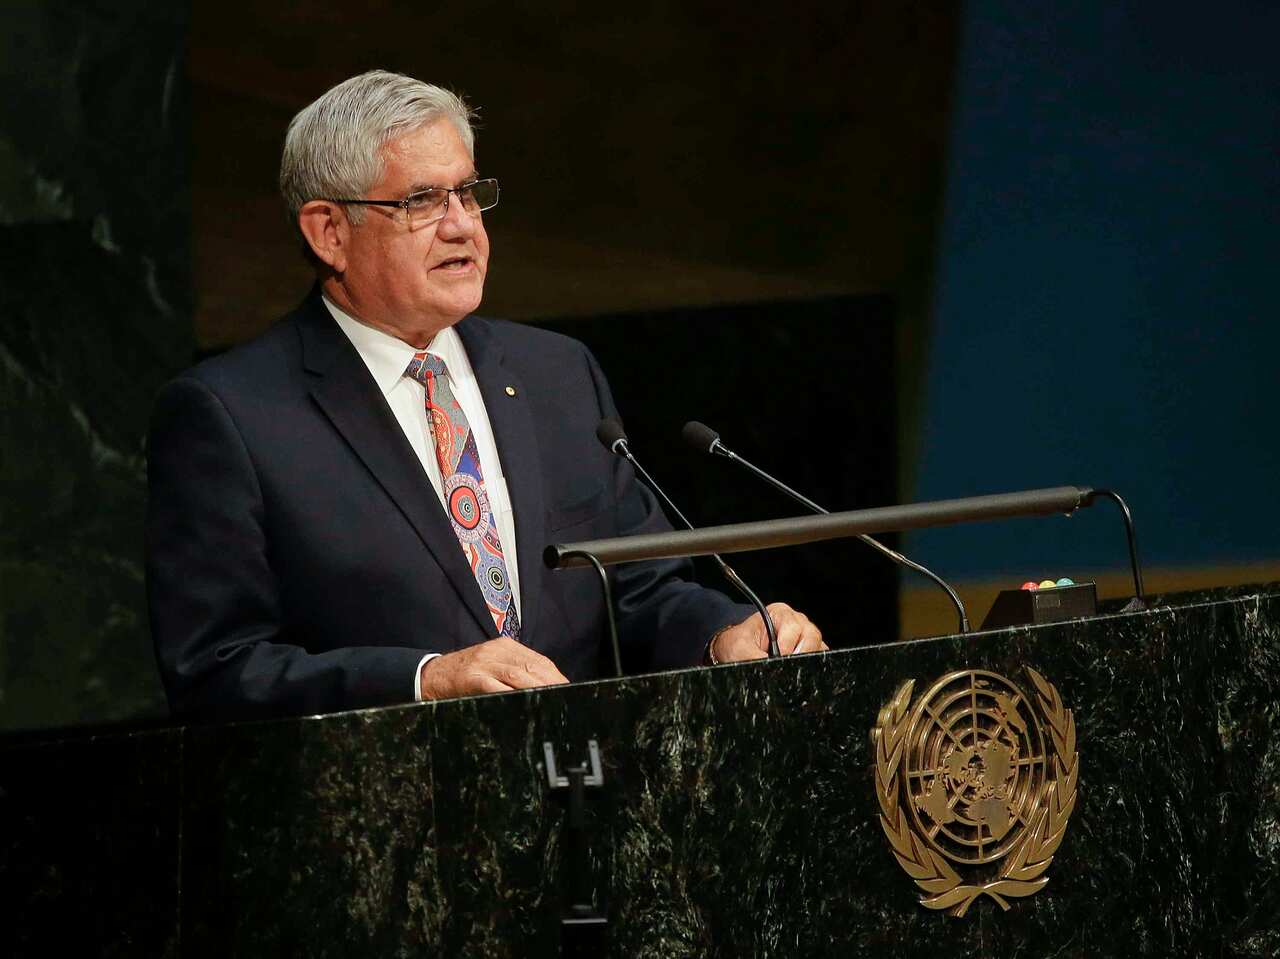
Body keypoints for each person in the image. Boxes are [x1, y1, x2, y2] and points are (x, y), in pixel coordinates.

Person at [146, 70, 824, 722]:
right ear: (329, 232)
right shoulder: (231, 416)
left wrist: (725, 634)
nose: (462, 225)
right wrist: (424, 679)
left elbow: (642, 591)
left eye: (469, 194)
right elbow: (216, 669)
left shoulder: (557, 373)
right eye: (421, 201)